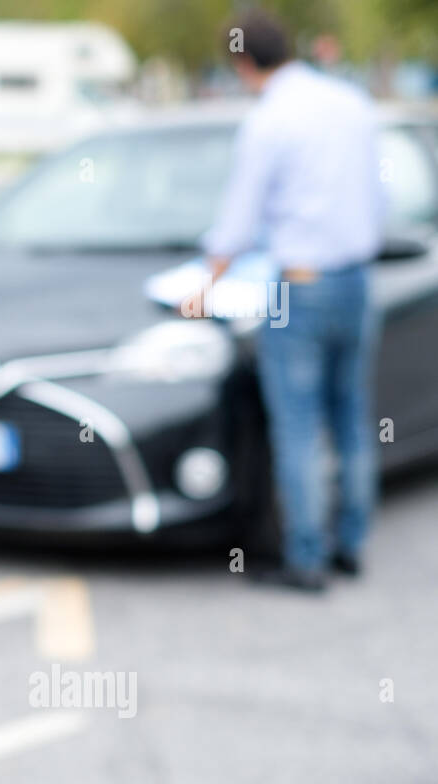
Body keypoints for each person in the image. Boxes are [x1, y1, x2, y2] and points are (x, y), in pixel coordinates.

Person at [184, 9, 387, 592]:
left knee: (298, 426)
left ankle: (305, 559)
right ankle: (349, 545)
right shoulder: (352, 105)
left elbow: (238, 222)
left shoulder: (269, 121)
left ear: (242, 61)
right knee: (351, 417)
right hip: (355, 280)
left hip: (297, 287)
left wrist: (205, 284)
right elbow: (379, 198)